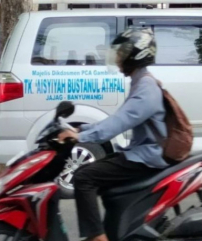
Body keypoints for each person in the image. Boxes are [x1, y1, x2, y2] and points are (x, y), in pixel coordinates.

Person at [57, 28, 167, 241]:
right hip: (141, 152)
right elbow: (117, 119)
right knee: (104, 184)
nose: (117, 58)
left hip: (148, 157)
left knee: (83, 177)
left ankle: (97, 237)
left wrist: (80, 137)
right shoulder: (141, 81)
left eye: (122, 53)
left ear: (136, 55)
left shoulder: (146, 87)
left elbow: (119, 123)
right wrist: (81, 129)